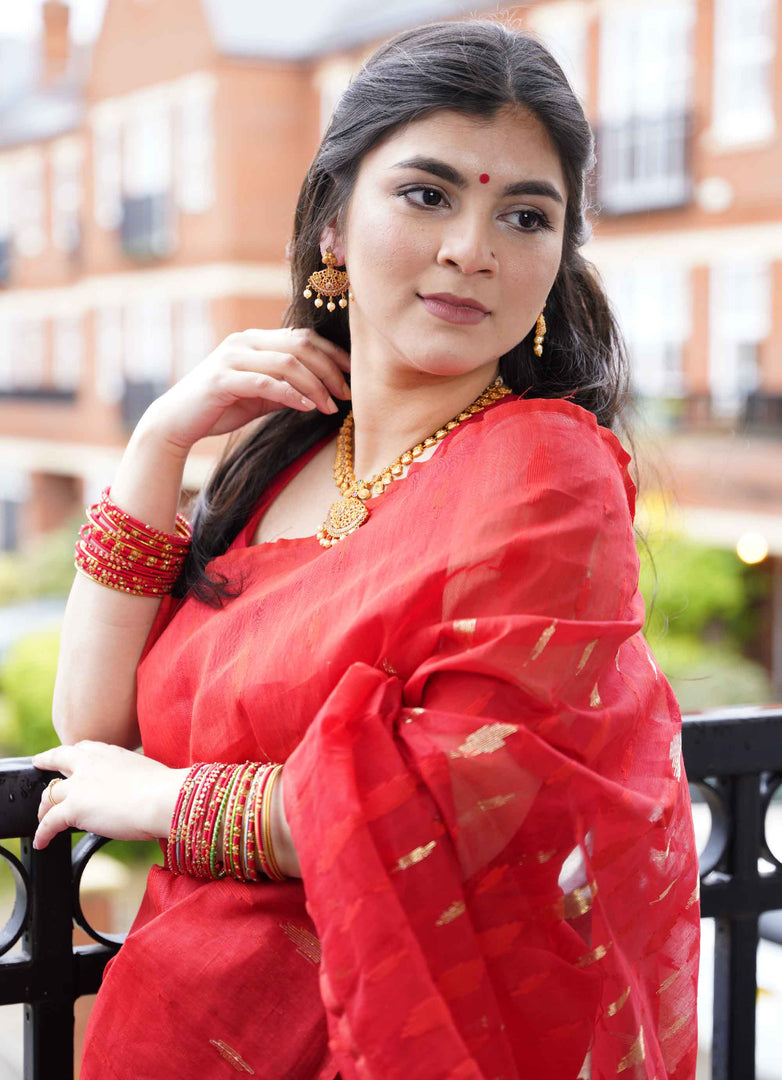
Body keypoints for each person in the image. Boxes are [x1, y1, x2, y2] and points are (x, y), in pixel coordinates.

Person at [31, 18, 701, 1080]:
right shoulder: (277, 461)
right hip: (180, 1029)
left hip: (392, 1039)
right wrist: (159, 441)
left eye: (522, 215)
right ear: (334, 222)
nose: (469, 250)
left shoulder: (545, 474)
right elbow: (94, 727)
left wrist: (172, 806)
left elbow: (457, 802)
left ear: (554, 257)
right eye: (427, 194)